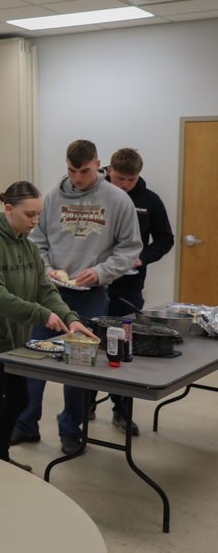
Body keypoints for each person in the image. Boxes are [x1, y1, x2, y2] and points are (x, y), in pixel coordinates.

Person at [12, 140, 141, 455]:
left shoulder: (118, 200)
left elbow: (130, 248)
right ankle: (25, 424)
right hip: (49, 292)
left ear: (98, 165)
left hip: (91, 295)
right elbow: (36, 241)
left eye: (84, 171)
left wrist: (101, 272)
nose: (78, 178)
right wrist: (46, 270)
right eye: (72, 170)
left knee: (79, 367)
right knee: (33, 359)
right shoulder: (52, 198)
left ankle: (71, 428)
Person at [0, 181, 94, 470]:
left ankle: (1, 458)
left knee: (18, 399)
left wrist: (70, 317)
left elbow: (44, 289)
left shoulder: (26, 245)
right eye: (30, 214)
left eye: (39, 214)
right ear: (8, 209)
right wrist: (40, 314)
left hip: (16, 344)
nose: (36, 222)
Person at [98, 148, 174, 432]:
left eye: (131, 180)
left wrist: (143, 257)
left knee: (124, 350)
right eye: (119, 179)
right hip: (93, 285)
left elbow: (165, 239)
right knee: (94, 346)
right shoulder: (97, 195)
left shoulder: (149, 201)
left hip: (128, 288)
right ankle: (86, 406)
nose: (125, 185)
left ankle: (121, 412)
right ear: (108, 172)